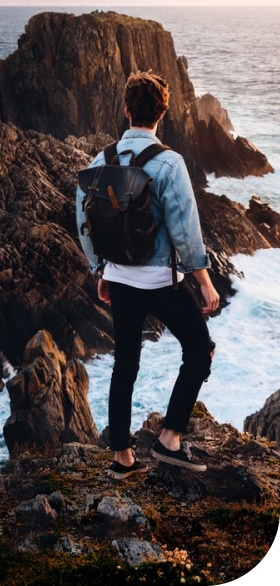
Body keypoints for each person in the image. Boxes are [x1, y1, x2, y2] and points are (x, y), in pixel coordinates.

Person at [76, 71, 219, 480]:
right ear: (162, 113)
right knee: (199, 350)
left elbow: (85, 221)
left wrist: (100, 270)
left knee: (125, 364)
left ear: (125, 110)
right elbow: (185, 229)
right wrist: (205, 282)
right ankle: (170, 440)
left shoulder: (100, 162)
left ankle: (122, 457)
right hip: (159, 281)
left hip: (119, 279)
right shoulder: (169, 163)